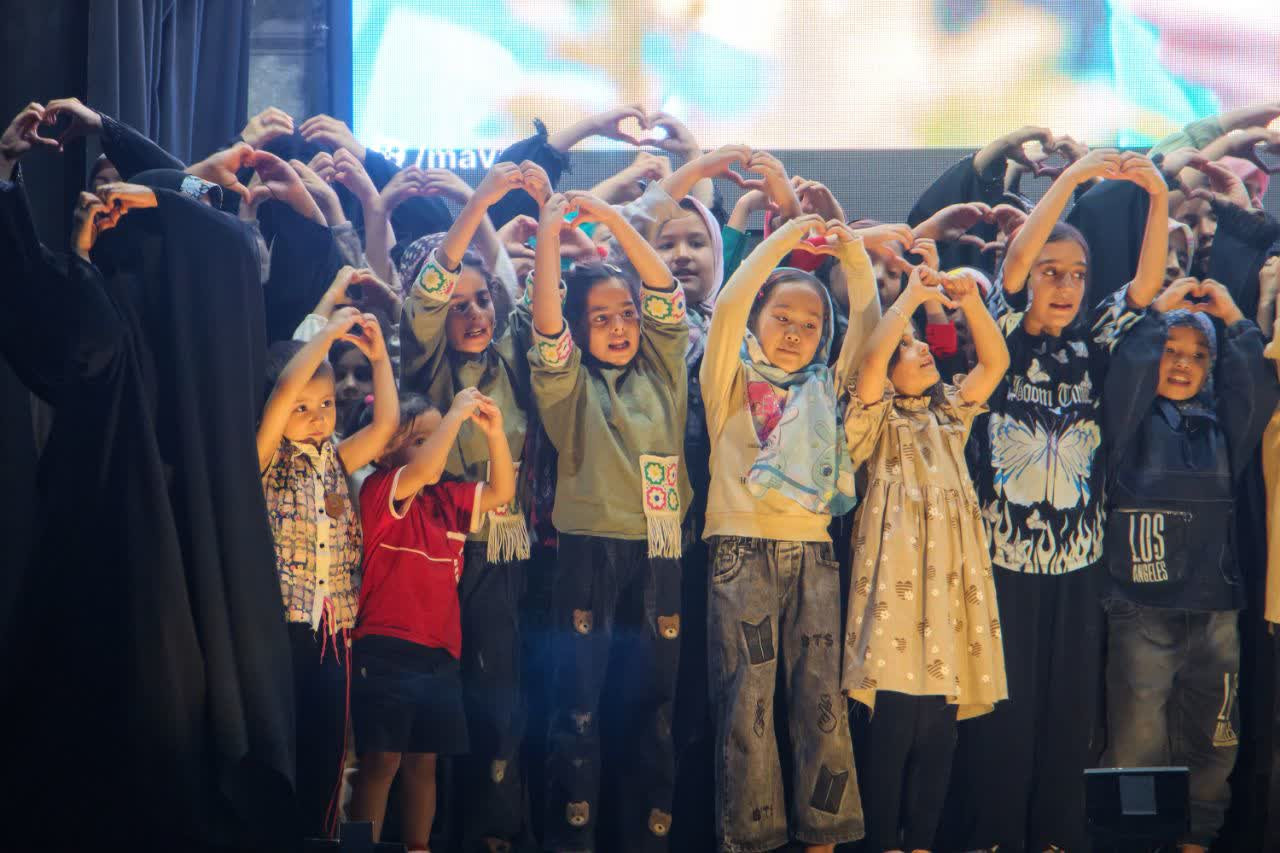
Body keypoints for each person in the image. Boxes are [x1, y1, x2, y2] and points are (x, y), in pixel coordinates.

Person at [946, 148, 1170, 852]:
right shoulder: (1006, 335)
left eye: (1077, 274)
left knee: (1070, 709)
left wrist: (1159, 198)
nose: (1065, 285)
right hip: (1004, 559)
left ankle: (1055, 835)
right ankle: (995, 834)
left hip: (1078, 561)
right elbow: (1013, 268)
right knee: (1006, 708)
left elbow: (1145, 289)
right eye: (1052, 272)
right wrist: (1071, 179)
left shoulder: (1093, 342)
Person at [700, 211, 889, 853]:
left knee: (822, 705)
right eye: (781, 316)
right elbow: (728, 304)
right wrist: (785, 239)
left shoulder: (825, 388)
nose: (795, 332)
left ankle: (824, 838)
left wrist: (852, 254)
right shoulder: (728, 377)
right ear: (758, 320)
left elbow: (868, 331)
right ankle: (751, 840)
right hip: (741, 552)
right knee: (746, 706)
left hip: (814, 552)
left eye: (810, 325)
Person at [530, 189, 689, 852]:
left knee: (654, 712)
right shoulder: (568, 387)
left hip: (660, 554)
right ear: (577, 328)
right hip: (589, 554)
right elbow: (546, 327)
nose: (620, 327)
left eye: (627, 315)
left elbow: (664, 293)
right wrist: (549, 233)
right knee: (580, 708)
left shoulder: (663, 369)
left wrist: (615, 220)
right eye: (600, 318)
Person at [399, 159, 547, 851]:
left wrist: (502, 208)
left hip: (504, 550)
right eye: (457, 306)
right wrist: (482, 196)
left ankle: (496, 835)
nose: (474, 314)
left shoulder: (511, 353)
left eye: (481, 301)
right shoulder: (427, 364)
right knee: (439, 708)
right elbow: (433, 291)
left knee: (500, 702)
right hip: (437, 553)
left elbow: (514, 288)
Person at [1101, 277, 1277, 853]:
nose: (1182, 364)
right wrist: (1155, 315)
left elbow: (1257, 390)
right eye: (1170, 351)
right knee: (1137, 741)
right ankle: (1136, 840)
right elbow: (1127, 370)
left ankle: (1196, 839)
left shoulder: (1223, 428)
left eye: (1198, 356)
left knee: (1215, 738)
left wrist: (1235, 320)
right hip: (1140, 607)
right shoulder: (1127, 421)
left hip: (1215, 608)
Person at [842, 266, 1010, 853]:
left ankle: (922, 843)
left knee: (939, 733)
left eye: (920, 343)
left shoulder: (948, 416)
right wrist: (911, 295)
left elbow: (994, 363)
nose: (920, 350)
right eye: (906, 347)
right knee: (891, 732)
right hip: (894, 592)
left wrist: (970, 304)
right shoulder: (876, 418)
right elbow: (870, 364)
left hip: (948, 594)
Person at [349, 387, 517, 853]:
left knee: (423, 764)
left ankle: (418, 847)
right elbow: (423, 469)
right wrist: (455, 415)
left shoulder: (447, 499)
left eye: (438, 436)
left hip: (440, 652)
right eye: (420, 439)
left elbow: (503, 492)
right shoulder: (379, 490)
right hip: (384, 648)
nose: (435, 449)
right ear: (384, 451)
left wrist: (496, 434)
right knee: (381, 763)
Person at [256, 295, 398, 840]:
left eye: (326, 404)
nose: (318, 416)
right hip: (282, 629)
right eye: (303, 408)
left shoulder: (339, 457)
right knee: (279, 752)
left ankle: (320, 838)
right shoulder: (267, 459)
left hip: (334, 630)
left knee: (328, 754)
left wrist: (380, 360)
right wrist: (328, 335)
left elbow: (385, 425)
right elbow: (284, 389)